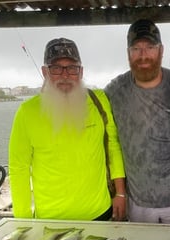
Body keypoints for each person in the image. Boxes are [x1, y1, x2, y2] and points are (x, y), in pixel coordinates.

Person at [9, 38, 126, 221]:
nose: (65, 75)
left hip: (101, 213)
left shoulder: (99, 101)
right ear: (45, 72)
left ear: (81, 72)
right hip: (51, 222)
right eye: (56, 68)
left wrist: (120, 193)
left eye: (72, 68)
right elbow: (19, 170)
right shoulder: (27, 112)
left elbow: (113, 147)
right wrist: (24, 222)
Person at [105, 19, 170, 224]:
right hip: (137, 202)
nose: (143, 55)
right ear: (128, 53)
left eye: (150, 47)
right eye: (136, 48)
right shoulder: (114, 91)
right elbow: (100, 129)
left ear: (161, 50)